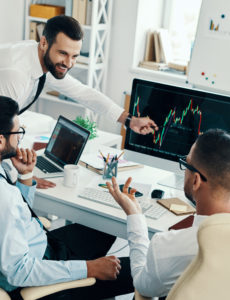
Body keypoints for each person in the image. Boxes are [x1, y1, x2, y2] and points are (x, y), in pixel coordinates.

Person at [107, 129, 230, 299]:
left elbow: (143, 285)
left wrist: (135, 216)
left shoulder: (169, 246)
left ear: (196, 181)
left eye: (186, 163)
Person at [0, 15, 158, 189]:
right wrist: (25, 178)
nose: (68, 63)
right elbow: (2, 136)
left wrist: (129, 120)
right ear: (44, 42)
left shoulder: (42, 58)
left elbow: (83, 92)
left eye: (75, 56)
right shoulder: (16, 75)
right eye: (63, 53)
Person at [0, 96, 133, 300]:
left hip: (41, 244)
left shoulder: (4, 179)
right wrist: (90, 268)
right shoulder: (4, 197)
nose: (19, 139)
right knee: (139, 272)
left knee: (101, 228)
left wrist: (25, 175)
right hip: (37, 271)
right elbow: (19, 271)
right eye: (18, 132)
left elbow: (18, 216)